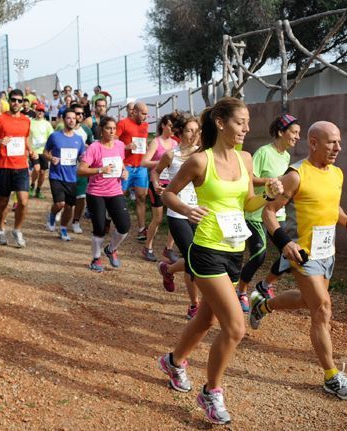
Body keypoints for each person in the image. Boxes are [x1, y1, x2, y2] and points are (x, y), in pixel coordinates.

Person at [157, 97, 281, 425]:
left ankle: (173, 360)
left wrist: (269, 195)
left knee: (206, 321)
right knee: (235, 327)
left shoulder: (245, 159)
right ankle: (212, 392)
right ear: (222, 123)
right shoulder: (200, 161)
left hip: (232, 249)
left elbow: (248, 203)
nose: (247, 128)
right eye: (241, 122)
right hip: (206, 250)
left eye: (248, 122)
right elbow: (167, 192)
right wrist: (185, 209)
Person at [249, 120, 347, 401]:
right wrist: (284, 243)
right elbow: (268, 211)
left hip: (328, 253)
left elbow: (331, 206)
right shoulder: (296, 175)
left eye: (338, 142)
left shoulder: (337, 173)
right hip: (303, 254)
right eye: (331, 142)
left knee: (307, 300)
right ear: (313, 143)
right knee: (322, 309)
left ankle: (263, 306)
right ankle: (331, 376)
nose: (337, 147)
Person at [236, 114, 300, 312]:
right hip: (256, 215)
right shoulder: (264, 152)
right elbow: (250, 178)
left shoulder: (287, 157)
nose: (297, 137)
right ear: (281, 132)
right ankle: (241, 291)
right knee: (259, 255)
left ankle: (265, 285)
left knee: (290, 254)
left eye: (299, 133)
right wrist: (268, 181)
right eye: (294, 132)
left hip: (276, 215)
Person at [153, 114, 201, 319]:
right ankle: (194, 305)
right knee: (192, 259)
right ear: (180, 133)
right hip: (178, 212)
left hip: (200, 212)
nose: (194, 134)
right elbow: (156, 171)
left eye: (197, 130)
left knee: (198, 257)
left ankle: (169, 269)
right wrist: (156, 184)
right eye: (190, 130)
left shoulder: (203, 154)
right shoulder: (171, 155)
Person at [77, 117, 130, 272]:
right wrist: (100, 170)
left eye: (114, 128)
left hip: (115, 191)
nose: (112, 131)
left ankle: (111, 249)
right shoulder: (94, 147)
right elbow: (81, 170)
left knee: (124, 226)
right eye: (109, 128)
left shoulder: (120, 145)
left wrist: (124, 172)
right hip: (96, 192)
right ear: (101, 129)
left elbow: (121, 164)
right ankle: (96, 258)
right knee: (99, 228)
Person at [0, 89, 33, 248]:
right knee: (3, 202)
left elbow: (25, 138)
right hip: (3, 166)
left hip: (21, 166)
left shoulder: (26, 120)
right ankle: (1, 229)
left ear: (23, 102)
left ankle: (17, 230)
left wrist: (31, 151)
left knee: (23, 201)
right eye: (13, 100)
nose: (16, 103)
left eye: (19, 100)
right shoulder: (0, 119)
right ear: (9, 101)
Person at [43, 108, 86, 241]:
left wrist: (84, 161)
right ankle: (52, 215)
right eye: (69, 118)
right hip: (56, 175)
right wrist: (51, 159)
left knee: (69, 206)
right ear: (63, 119)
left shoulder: (79, 139)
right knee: (60, 204)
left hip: (71, 177)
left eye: (74, 118)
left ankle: (62, 228)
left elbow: (81, 157)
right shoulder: (55, 136)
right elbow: (45, 152)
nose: (72, 120)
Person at [141, 113, 178, 261]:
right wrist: (161, 163)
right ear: (163, 125)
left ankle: (169, 248)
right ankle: (147, 247)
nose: (172, 128)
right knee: (158, 218)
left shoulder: (175, 144)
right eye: (169, 125)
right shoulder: (156, 142)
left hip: (172, 183)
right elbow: (144, 162)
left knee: (176, 217)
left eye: (174, 126)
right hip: (157, 183)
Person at [117, 102, 150, 241]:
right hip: (126, 166)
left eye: (147, 114)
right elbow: (113, 143)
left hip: (141, 166)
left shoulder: (145, 126)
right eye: (143, 113)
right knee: (120, 196)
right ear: (134, 112)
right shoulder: (122, 123)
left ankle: (141, 229)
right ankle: (110, 220)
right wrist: (126, 146)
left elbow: (143, 141)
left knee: (141, 197)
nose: (145, 117)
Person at [61, 103, 94, 234]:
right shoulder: (62, 130)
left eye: (81, 114)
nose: (79, 116)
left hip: (80, 169)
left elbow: (92, 147)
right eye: (77, 114)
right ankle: (61, 215)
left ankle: (76, 221)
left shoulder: (86, 130)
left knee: (80, 198)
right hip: (65, 169)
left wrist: (87, 149)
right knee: (64, 200)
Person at [28, 103, 54, 199]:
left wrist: (50, 150)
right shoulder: (30, 122)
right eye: (39, 110)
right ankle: (32, 185)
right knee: (36, 168)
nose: (40, 112)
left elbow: (51, 137)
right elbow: (27, 136)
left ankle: (38, 190)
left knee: (43, 172)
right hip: (34, 151)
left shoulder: (47, 124)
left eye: (42, 111)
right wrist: (29, 149)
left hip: (44, 151)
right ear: (35, 111)